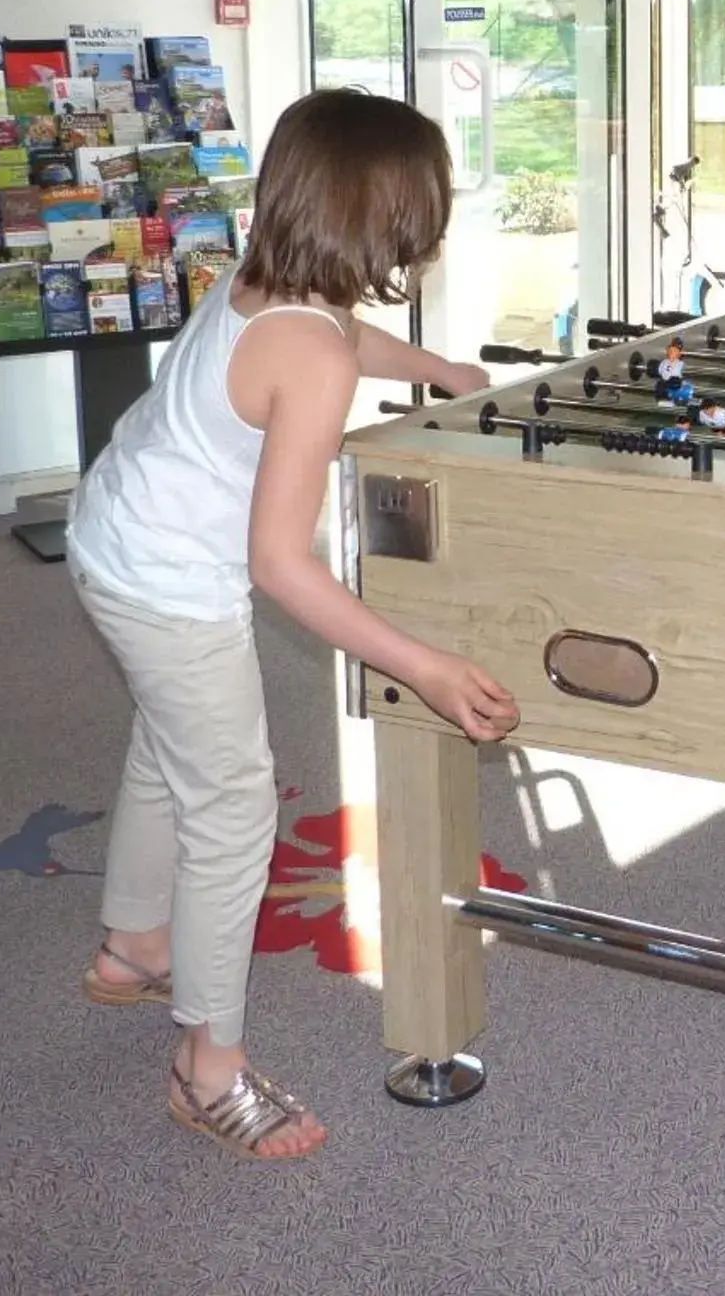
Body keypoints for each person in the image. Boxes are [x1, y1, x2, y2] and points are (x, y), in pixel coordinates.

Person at [66, 89, 522, 1160]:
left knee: (166, 748)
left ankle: (134, 946)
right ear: (387, 219)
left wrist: (437, 372)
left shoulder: (261, 281)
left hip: (111, 532)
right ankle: (205, 1068)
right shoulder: (309, 355)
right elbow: (282, 564)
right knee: (230, 812)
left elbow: (343, 342)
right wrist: (429, 667)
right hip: (173, 584)